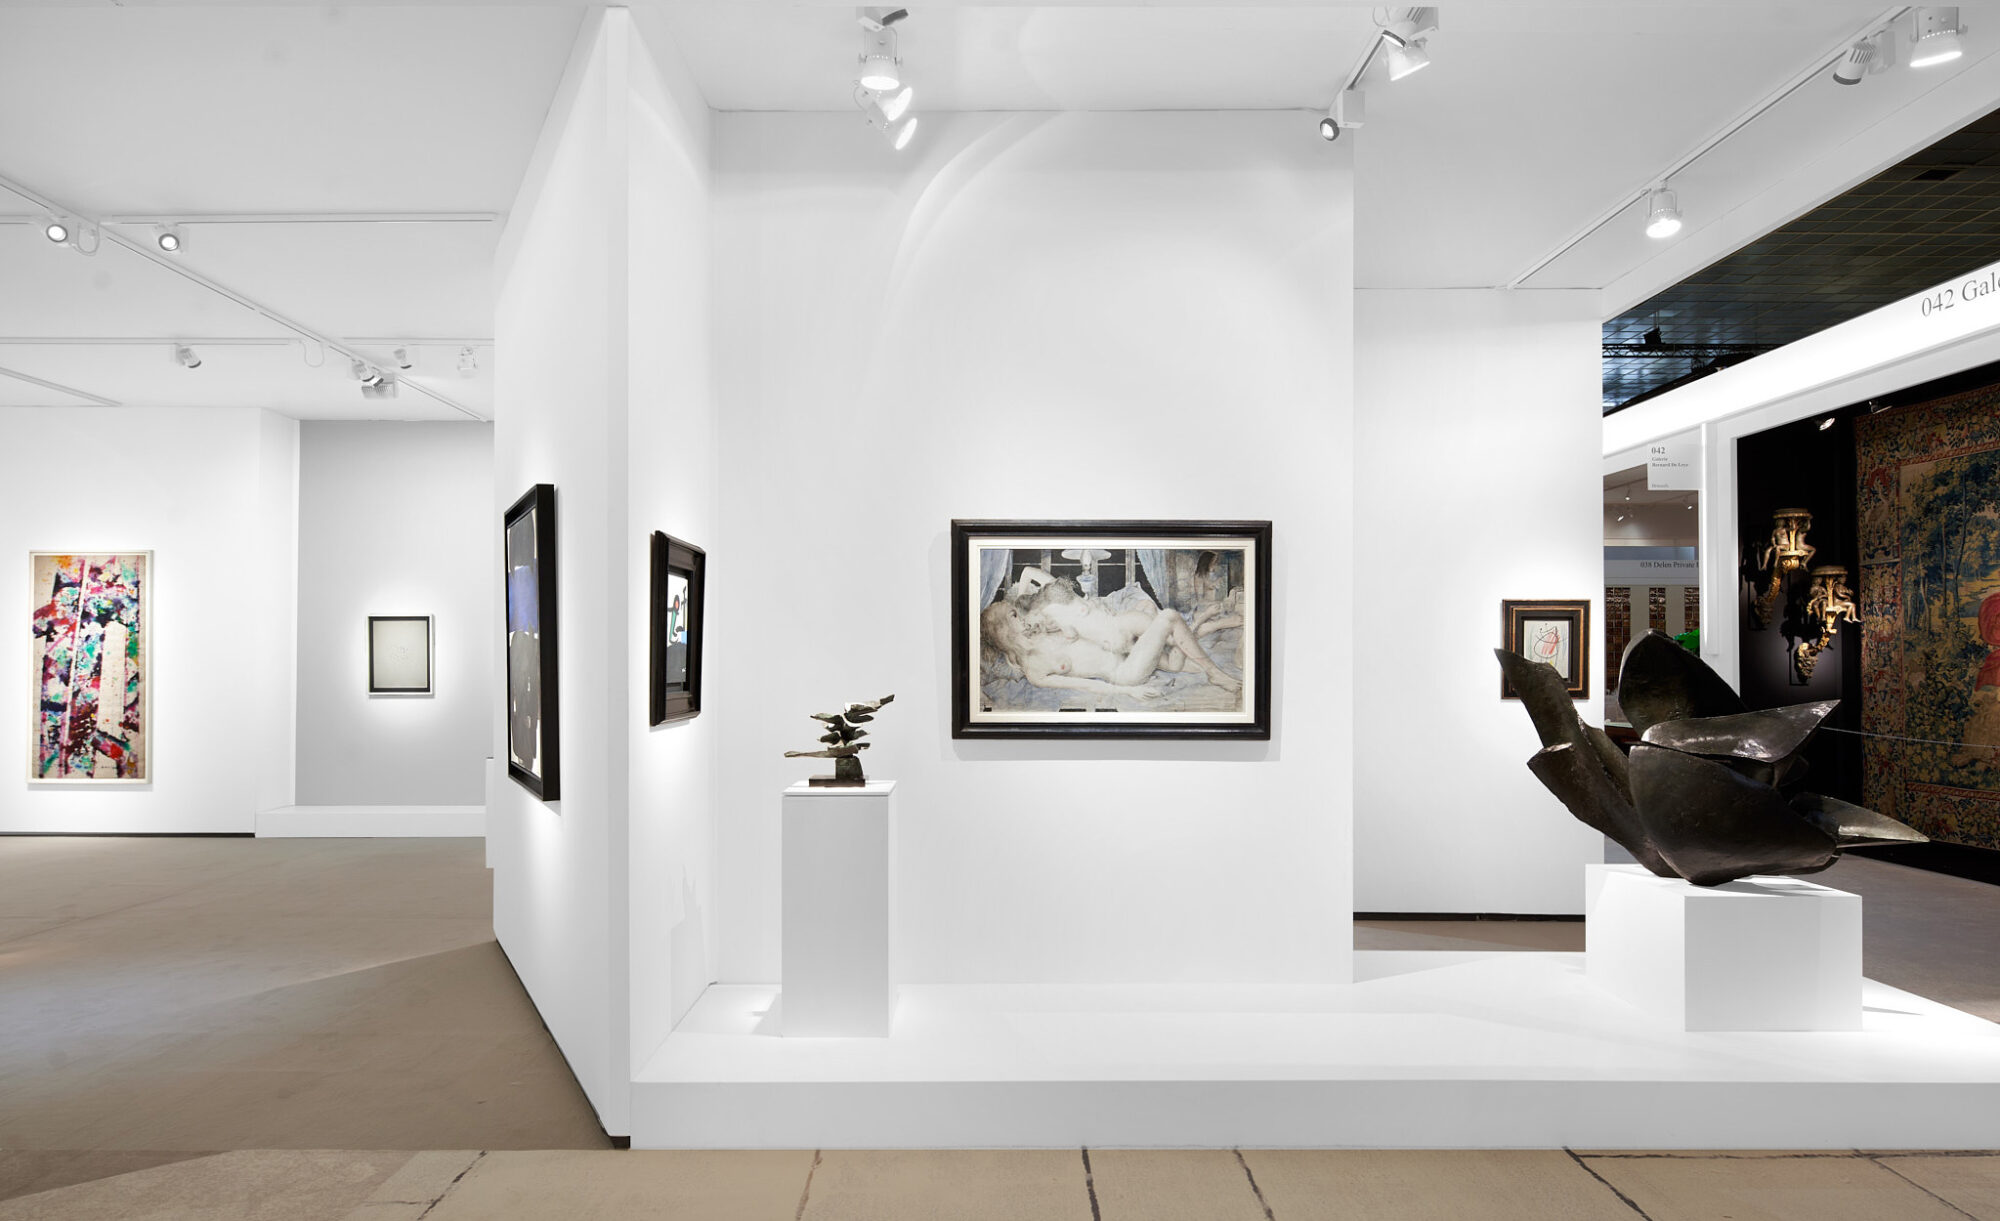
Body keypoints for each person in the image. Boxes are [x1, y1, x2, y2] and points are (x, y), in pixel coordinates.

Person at [981, 567, 1241, 700]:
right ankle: (1213, 668)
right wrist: (1128, 693)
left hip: (1126, 647)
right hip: (1123, 672)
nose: (1022, 618)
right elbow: (1085, 685)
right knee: (1169, 618)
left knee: (1168, 642)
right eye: (1014, 616)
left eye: (1018, 613)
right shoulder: (1034, 670)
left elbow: (1036, 576)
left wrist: (1020, 596)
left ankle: (1203, 630)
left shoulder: (1043, 624)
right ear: (1005, 632)